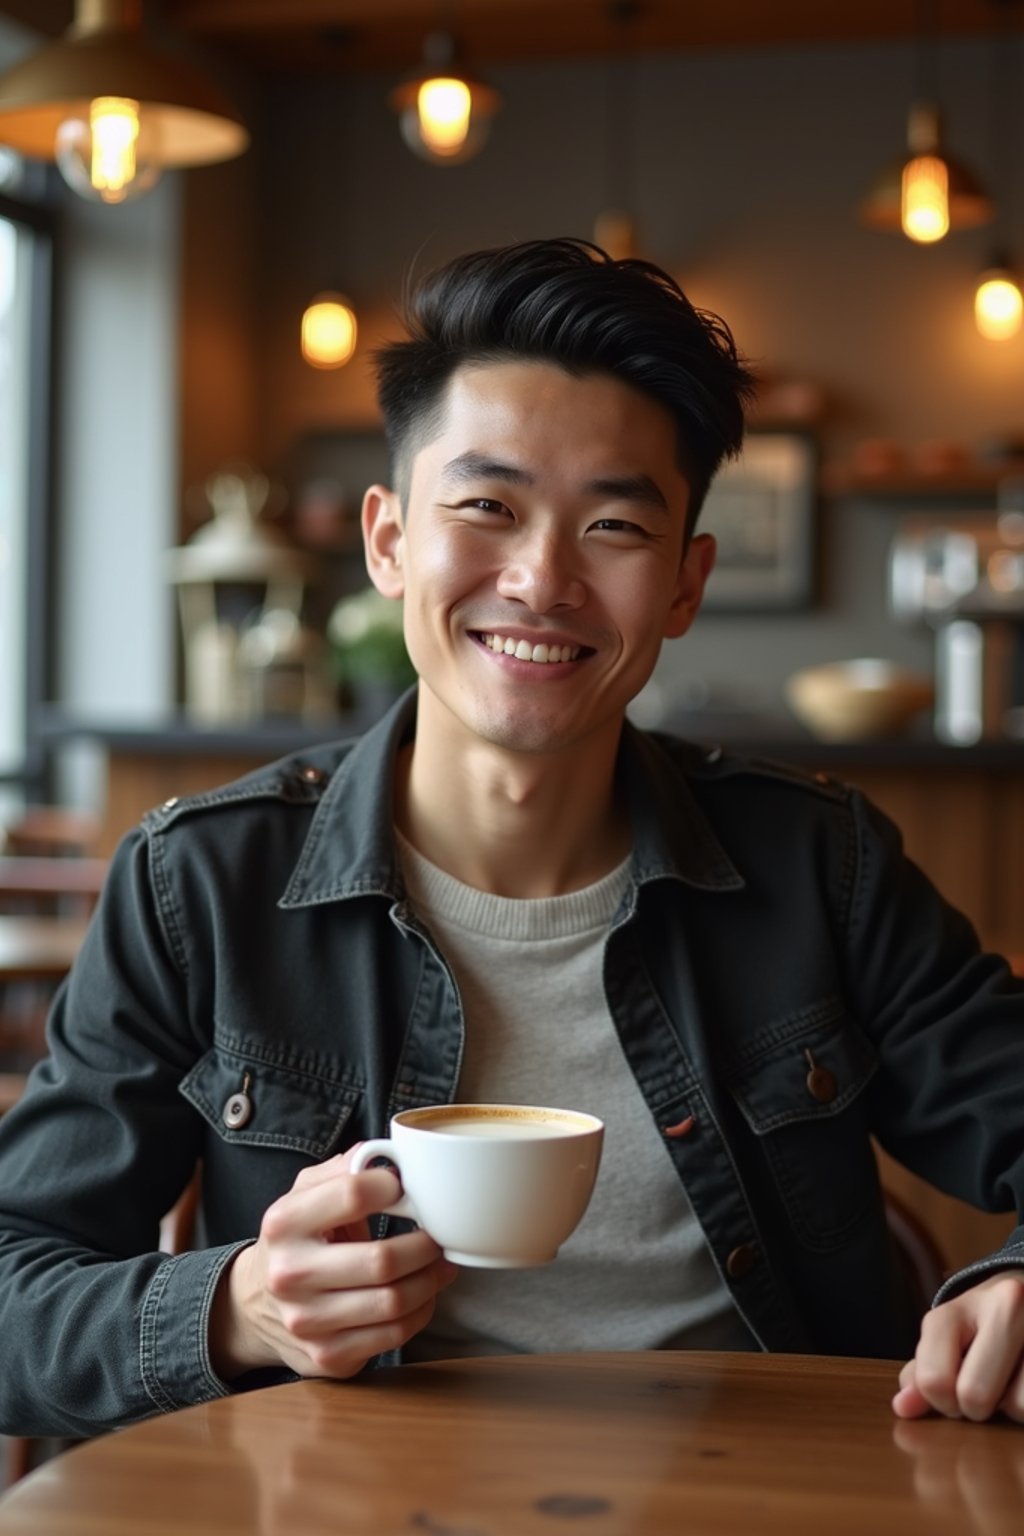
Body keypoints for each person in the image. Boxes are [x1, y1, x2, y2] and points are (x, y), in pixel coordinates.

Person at [1, 238, 1023, 1444]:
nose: (540, 581)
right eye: (486, 506)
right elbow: (18, 1291)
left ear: (686, 585)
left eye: (614, 528)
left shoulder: (823, 868)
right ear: (388, 540)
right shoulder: (201, 884)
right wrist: (234, 1309)